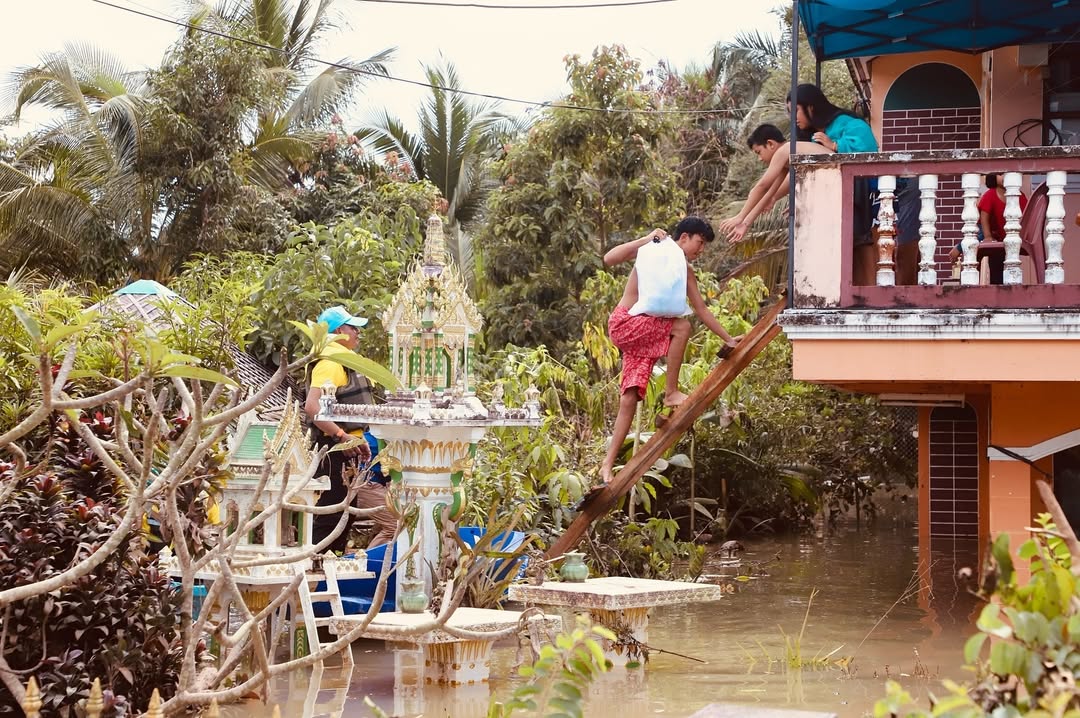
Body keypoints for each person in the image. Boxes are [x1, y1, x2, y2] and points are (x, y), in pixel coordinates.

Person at [599, 217, 741, 485]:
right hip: (626, 324)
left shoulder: (685, 270)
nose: (701, 251)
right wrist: (646, 239)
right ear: (684, 237)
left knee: (629, 398)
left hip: (644, 333)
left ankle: (606, 466)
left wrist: (729, 338)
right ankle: (671, 392)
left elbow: (701, 308)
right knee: (681, 327)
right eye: (700, 243)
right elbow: (609, 258)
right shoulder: (654, 253)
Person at [303, 305, 396, 552]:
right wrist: (342, 436)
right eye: (352, 327)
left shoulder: (342, 362)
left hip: (347, 453)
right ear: (337, 332)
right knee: (330, 517)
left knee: (343, 517)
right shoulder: (331, 363)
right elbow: (313, 407)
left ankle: (328, 570)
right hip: (335, 452)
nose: (358, 333)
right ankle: (317, 570)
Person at [788, 84, 881, 285]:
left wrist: (835, 145)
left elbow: (868, 147)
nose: (793, 118)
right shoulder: (811, 137)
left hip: (862, 197)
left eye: (795, 110)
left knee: (861, 245)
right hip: (833, 202)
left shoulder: (845, 123)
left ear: (811, 107)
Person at [719, 124, 831, 243]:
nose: (760, 159)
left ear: (770, 144)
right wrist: (746, 224)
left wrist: (739, 217)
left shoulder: (785, 150)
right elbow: (769, 195)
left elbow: (762, 187)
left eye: (759, 152)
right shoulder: (788, 158)